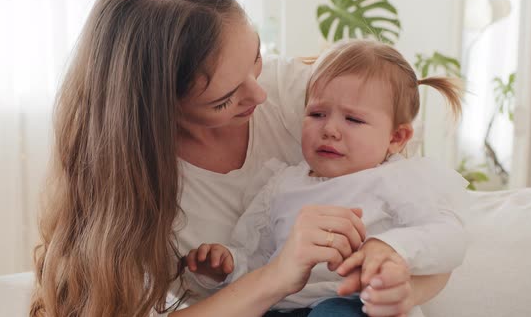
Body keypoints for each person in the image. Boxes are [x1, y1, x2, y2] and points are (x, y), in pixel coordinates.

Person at [30, 0, 457, 316]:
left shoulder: (304, 95)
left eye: (255, 57)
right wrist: (271, 275)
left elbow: (437, 235)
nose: (260, 94)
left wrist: (390, 287)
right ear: (157, 109)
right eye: (224, 99)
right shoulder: (126, 186)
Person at [184, 40, 468, 317]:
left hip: (351, 302)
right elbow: (262, 260)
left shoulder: (394, 179)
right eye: (317, 114)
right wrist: (229, 265)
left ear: (397, 137)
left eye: (353, 120)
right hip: (281, 305)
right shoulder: (280, 184)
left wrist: (392, 246)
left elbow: (450, 237)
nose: (330, 129)